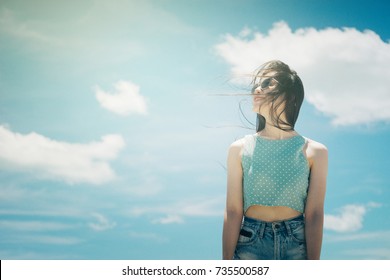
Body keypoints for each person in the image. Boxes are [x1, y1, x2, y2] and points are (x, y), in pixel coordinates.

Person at [222, 60, 328, 260]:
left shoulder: (315, 151)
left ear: (291, 95)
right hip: (248, 246)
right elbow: (233, 211)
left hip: (297, 246)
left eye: (268, 83)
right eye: (256, 85)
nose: (258, 89)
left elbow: (314, 214)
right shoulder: (239, 149)